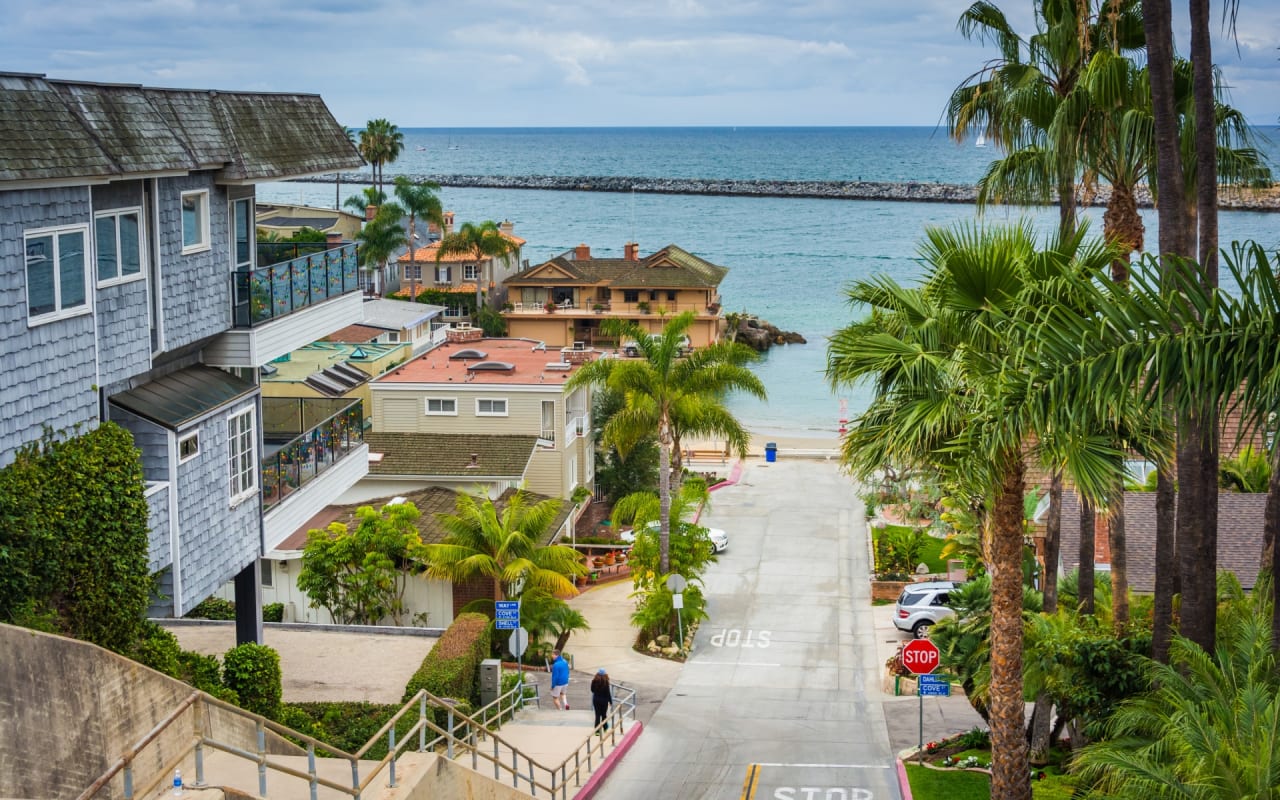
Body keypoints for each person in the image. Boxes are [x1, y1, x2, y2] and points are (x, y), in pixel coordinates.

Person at [590, 668, 613, 733]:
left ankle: (597, 731)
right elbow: (608, 693)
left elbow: (592, 690)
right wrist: (610, 701)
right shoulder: (606, 682)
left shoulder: (594, 681)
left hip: (596, 700)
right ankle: (605, 728)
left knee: (597, 715)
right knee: (604, 715)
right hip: (604, 701)